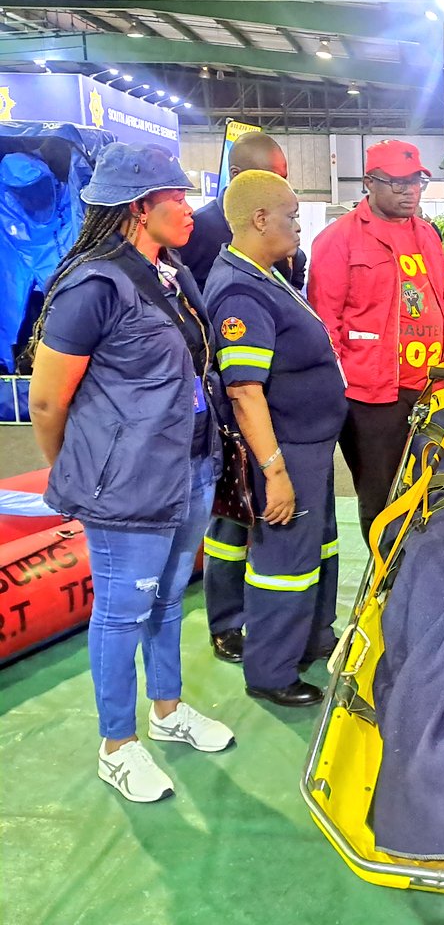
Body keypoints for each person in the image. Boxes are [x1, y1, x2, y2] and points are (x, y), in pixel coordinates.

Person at [26, 142, 234, 803]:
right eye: (176, 196)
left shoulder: (169, 271)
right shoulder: (92, 285)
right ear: (138, 207)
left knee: (169, 599)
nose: (190, 208)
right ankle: (116, 746)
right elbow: (47, 399)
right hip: (129, 488)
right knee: (121, 613)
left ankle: (166, 712)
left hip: (190, 469)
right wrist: (75, 473)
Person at [203, 171, 348, 707]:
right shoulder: (241, 292)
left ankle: (310, 636)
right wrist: (276, 472)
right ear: (259, 219)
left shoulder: (263, 274)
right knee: (284, 561)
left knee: (314, 548)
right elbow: (245, 392)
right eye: (290, 215)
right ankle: (271, 669)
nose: (297, 226)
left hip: (307, 445)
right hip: (286, 450)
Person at [308, 139, 444, 542]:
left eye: (415, 182)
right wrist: (336, 391)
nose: (408, 190)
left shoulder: (428, 236)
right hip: (373, 397)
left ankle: (420, 577)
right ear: (368, 182)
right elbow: (326, 324)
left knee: (432, 489)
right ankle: (384, 580)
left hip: (433, 387)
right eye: (396, 183)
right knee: (380, 498)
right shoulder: (337, 240)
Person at [184, 132, 303, 667]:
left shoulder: (280, 232)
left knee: (257, 515)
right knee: (231, 516)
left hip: (268, 397)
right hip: (233, 397)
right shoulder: (201, 232)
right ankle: (227, 620)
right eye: (275, 175)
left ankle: (251, 615)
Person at [179, 132, 304, 292]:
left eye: (283, 178)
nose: (280, 186)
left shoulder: (278, 220)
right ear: (236, 174)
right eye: (270, 177)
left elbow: (297, 262)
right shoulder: (197, 229)